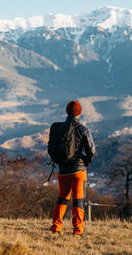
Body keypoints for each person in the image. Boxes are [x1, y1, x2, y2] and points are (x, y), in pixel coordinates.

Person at [50, 100, 96, 235]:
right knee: (78, 200)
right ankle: (78, 230)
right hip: (78, 171)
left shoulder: (58, 127)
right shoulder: (83, 129)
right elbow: (91, 151)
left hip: (62, 170)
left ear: (67, 112)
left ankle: (56, 227)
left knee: (62, 198)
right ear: (79, 113)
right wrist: (87, 162)